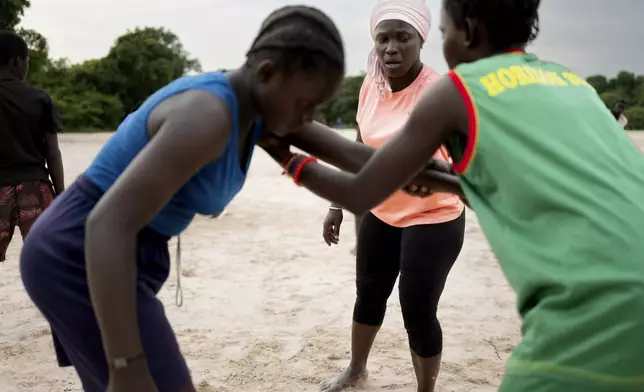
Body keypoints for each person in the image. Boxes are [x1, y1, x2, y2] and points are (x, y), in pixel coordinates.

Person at [263, 0, 644, 390]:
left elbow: (360, 189)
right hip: (628, 271)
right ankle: (357, 367)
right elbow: (529, 177)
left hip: (595, 304)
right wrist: (441, 179)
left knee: (420, 309)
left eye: (443, 33)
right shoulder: (568, 81)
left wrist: (280, 146)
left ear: (470, 31)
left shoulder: (456, 90)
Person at [19, 7, 346, 392]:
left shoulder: (255, 117)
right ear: (268, 73)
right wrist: (127, 364)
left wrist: (432, 153)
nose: (308, 116)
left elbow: (361, 180)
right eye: (306, 103)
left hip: (109, 250)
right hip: (82, 253)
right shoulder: (209, 112)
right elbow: (106, 223)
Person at [320, 1, 464, 391]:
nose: (391, 48)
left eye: (403, 38)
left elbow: (468, 156)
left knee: (416, 308)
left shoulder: (439, 93)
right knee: (368, 293)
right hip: (382, 211)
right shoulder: (372, 84)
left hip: (433, 216)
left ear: (420, 41)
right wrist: (338, 202)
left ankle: (425, 390)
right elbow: (361, 141)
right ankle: (356, 369)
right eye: (383, 38)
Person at [0, 30, 64, 263]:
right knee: (49, 258)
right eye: (27, 61)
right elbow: (52, 153)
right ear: (18, 60)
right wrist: (61, 195)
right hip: (35, 188)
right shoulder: (39, 98)